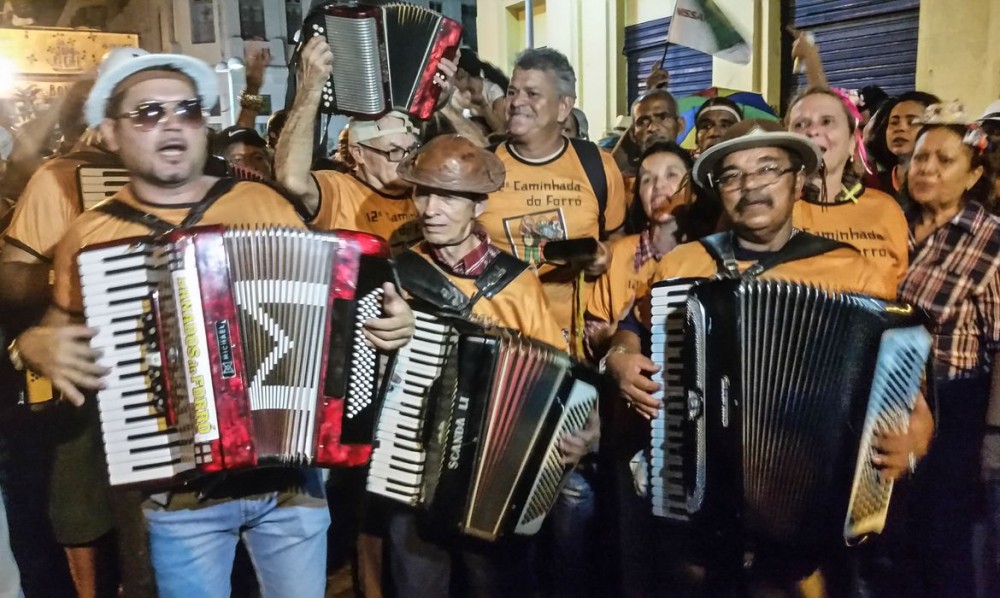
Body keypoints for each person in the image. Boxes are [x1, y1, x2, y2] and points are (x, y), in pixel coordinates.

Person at [8, 47, 414, 598]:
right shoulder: (90, 235)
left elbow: (339, 316)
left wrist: (391, 324)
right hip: (178, 495)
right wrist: (30, 344)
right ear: (110, 133)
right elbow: (56, 328)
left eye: (188, 111)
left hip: (289, 483)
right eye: (148, 113)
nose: (171, 125)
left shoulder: (261, 204)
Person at [604, 120, 931, 595]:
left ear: (799, 181)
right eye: (732, 175)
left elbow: (903, 384)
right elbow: (630, 328)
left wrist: (917, 437)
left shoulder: (852, 270)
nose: (751, 185)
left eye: (768, 169)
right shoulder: (682, 264)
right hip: (697, 479)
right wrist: (619, 359)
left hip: (810, 496)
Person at [383, 133, 597, 598]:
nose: (430, 208)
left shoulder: (517, 282)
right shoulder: (397, 275)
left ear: (479, 205)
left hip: (495, 472)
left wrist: (587, 426)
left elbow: (561, 378)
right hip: (408, 466)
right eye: (423, 192)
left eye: (449, 196)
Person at [892, 111, 1000, 598]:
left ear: (974, 174)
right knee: (892, 544)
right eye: (919, 157)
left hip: (954, 409)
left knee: (943, 544)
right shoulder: (894, 228)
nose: (927, 168)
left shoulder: (992, 243)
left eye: (944, 159)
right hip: (885, 403)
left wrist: (992, 444)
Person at [479, 47, 627, 357]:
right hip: (500, 345)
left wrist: (605, 257)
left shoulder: (598, 166)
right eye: (512, 92)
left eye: (532, 94)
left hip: (579, 348)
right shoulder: (482, 167)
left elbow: (617, 240)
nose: (517, 102)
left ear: (563, 107)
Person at [275, 36, 457, 255]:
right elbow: (292, 180)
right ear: (358, 153)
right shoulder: (338, 192)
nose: (407, 160)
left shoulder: (422, 188)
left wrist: (439, 102)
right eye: (394, 151)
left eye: (411, 149)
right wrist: (310, 89)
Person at [786, 86, 910, 291]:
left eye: (827, 121)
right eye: (800, 124)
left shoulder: (886, 210)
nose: (813, 131)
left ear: (852, 143)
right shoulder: (771, 211)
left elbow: (901, 287)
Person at [866, 91, 941, 195]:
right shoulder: (873, 186)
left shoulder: (944, 184)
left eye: (912, 122)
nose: (900, 128)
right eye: (894, 122)